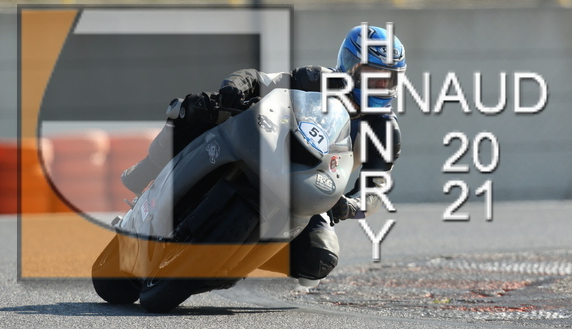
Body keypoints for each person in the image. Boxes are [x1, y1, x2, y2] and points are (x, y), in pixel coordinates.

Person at [121, 25, 406, 283]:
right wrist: (236, 87)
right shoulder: (315, 78)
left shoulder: (384, 131)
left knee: (320, 259)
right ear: (350, 65)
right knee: (198, 106)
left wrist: (351, 205)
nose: (379, 86)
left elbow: (376, 187)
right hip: (265, 146)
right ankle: (149, 168)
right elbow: (262, 80)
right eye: (372, 76)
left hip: (311, 188)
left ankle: (242, 262)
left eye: (387, 80)